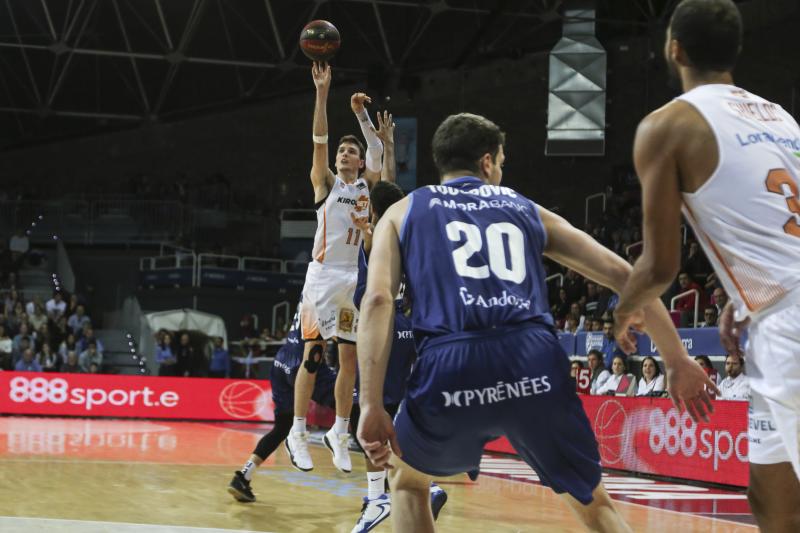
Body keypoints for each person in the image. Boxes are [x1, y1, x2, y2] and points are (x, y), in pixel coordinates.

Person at [356, 113, 714, 533]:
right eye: (502, 162)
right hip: (532, 361)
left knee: (408, 483)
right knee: (593, 503)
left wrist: (371, 404)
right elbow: (624, 274)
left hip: (450, 363)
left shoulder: (402, 210)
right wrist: (675, 359)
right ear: (487, 162)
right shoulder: (522, 206)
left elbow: (378, 299)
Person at [612, 1, 800, 529]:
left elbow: (659, 266)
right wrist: (745, 301)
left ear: (674, 49)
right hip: (773, 313)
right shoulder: (779, 116)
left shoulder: (666, 125)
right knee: (769, 491)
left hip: (789, 323)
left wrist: (623, 308)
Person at [286, 60, 394, 474]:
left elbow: (380, 154)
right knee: (313, 357)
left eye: (353, 150)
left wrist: (363, 115)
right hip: (322, 277)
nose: (347, 153)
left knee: (350, 361)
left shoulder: (367, 187)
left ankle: (339, 430)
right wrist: (322, 92)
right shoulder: (325, 183)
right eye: (342, 151)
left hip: (352, 279)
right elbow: (319, 138)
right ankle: (297, 431)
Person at [349, 180, 448, 532]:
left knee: (368, 419)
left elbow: (373, 298)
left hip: (387, 327)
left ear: (373, 210)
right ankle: (407, 488)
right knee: (395, 414)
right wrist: (388, 148)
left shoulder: (379, 236)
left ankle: (387, 497)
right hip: (413, 330)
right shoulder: (411, 232)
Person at [227, 303, 337, 502]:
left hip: (282, 361)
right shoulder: (333, 291)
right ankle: (381, 484)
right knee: (353, 408)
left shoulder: (312, 288)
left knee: (281, 427)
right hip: (304, 363)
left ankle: (243, 476)